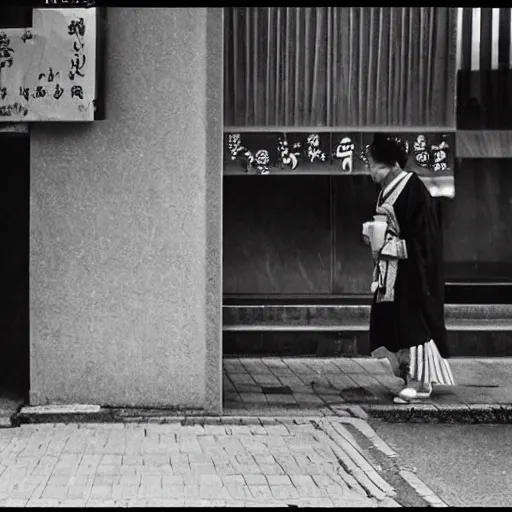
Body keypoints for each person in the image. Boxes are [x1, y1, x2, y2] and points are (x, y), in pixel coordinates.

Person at [363, 133, 455, 404]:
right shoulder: (386, 190)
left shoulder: (412, 188)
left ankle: (419, 380)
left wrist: (391, 246)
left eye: (371, 164)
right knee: (393, 321)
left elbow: (423, 239)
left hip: (412, 270)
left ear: (389, 164)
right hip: (391, 269)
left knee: (411, 323)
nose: (370, 170)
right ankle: (411, 376)